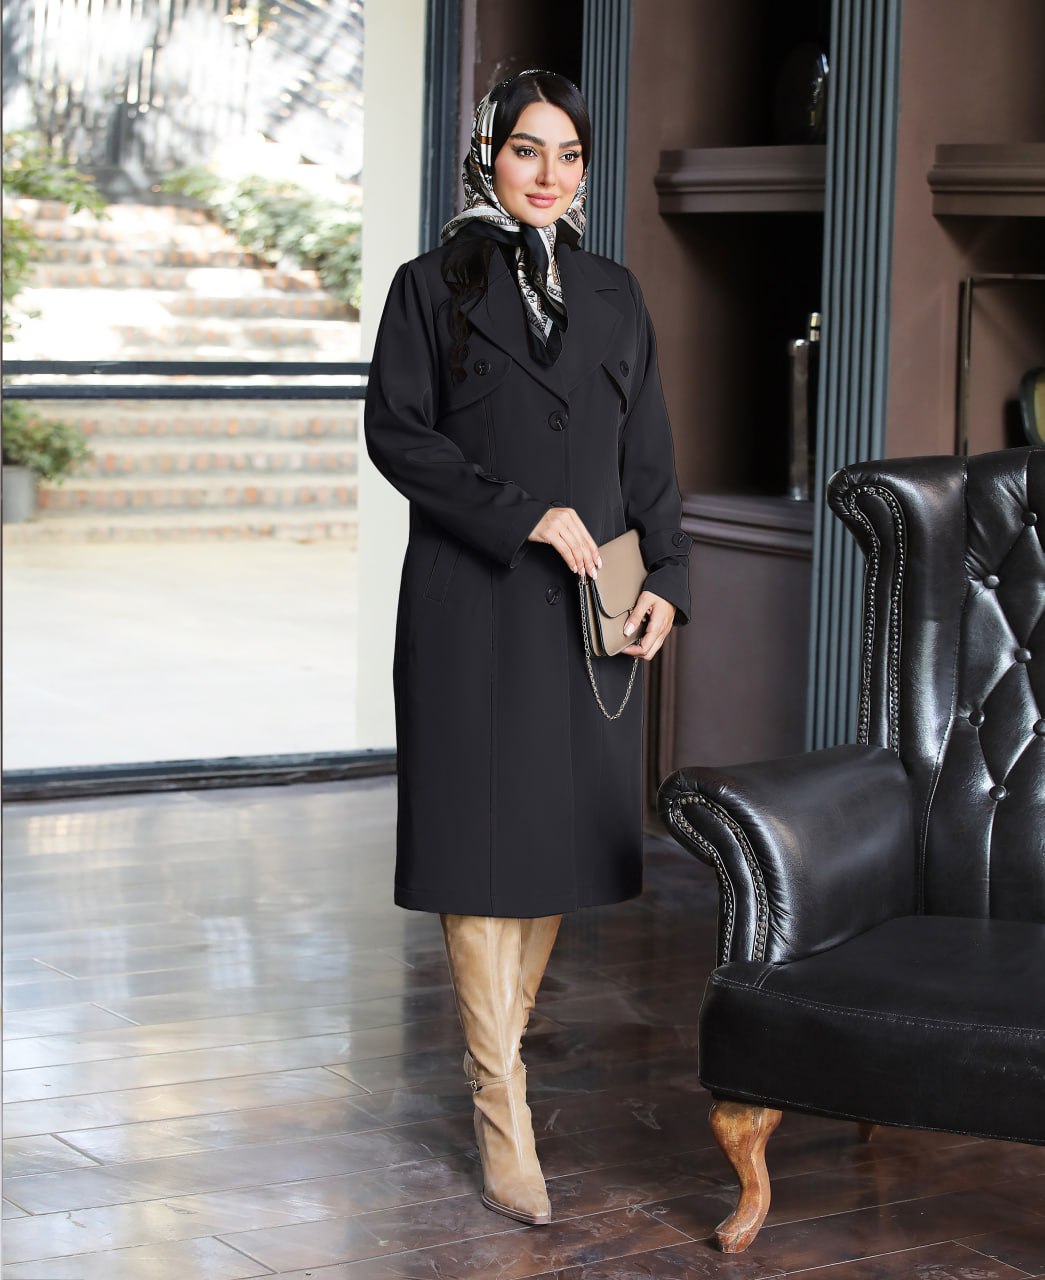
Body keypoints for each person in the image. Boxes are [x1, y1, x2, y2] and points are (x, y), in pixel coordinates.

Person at [364, 69, 691, 1226]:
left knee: (549, 845)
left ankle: (494, 1062)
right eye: (524, 150)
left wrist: (670, 579)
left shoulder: (614, 293)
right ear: (486, 157)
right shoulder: (429, 286)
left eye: (567, 155)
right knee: (475, 849)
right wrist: (522, 514)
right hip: (470, 600)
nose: (546, 174)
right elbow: (397, 434)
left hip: (589, 609)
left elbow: (648, 452)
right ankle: (501, 1111)